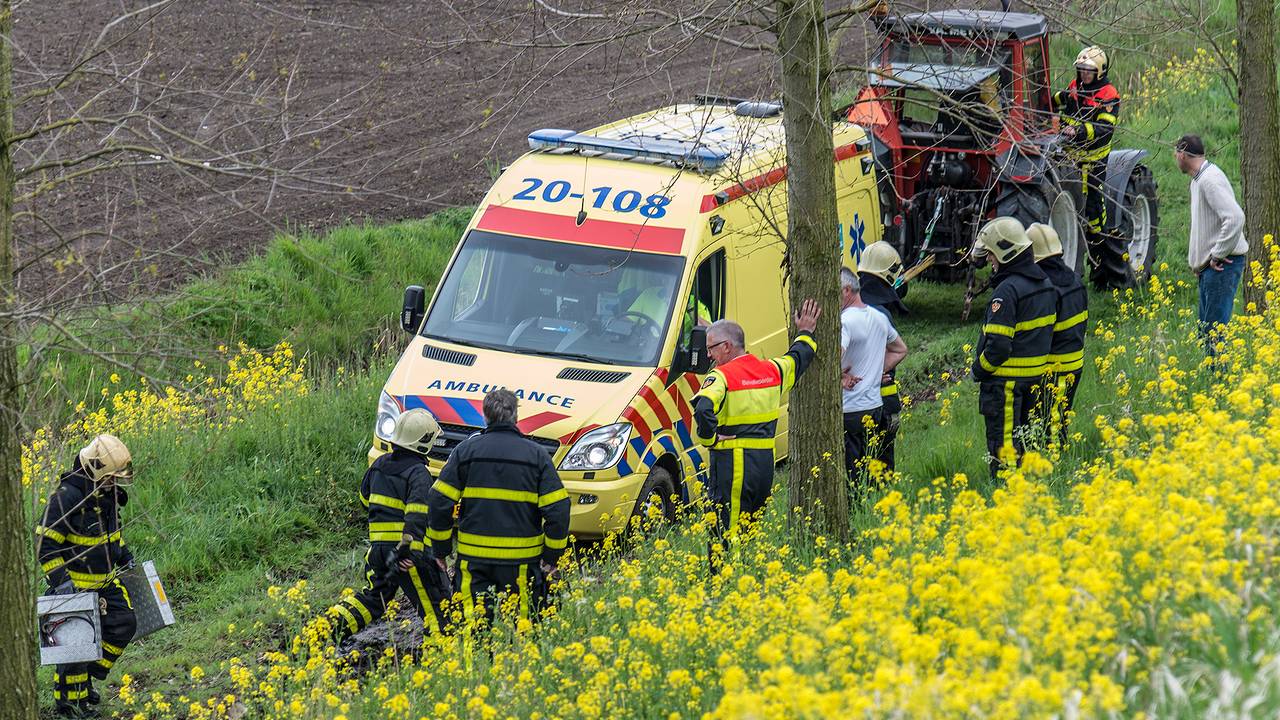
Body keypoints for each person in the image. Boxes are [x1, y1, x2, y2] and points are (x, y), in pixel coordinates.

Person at [427, 388, 571, 625]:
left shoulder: (466, 452)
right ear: (515, 416)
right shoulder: (536, 455)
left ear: (485, 416)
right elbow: (558, 509)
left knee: (473, 632)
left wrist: (441, 550)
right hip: (523, 563)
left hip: (474, 562)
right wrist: (551, 557)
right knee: (526, 631)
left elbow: (439, 501)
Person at [692, 301, 819, 547]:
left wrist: (710, 440)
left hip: (732, 463)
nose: (708, 355)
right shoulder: (772, 370)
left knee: (725, 530)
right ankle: (748, 572)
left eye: (711, 349)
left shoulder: (720, 376)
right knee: (751, 529)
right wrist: (806, 332)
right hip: (764, 464)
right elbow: (799, 356)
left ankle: (727, 580)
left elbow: (704, 407)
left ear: (727, 346)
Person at [326, 409, 451, 643]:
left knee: (374, 599)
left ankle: (323, 631)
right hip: (406, 551)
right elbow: (417, 515)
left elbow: (365, 500)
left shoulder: (379, 465)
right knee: (435, 604)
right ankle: (442, 655)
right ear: (423, 442)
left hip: (378, 551)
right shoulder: (419, 474)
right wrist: (408, 551)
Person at [36, 435, 138, 719]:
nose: (114, 483)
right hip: (75, 592)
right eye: (110, 478)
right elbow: (44, 543)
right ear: (95, 470)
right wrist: (61, 583)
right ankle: (70, 707)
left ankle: (88, 677)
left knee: (124, 622)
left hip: (105, 584)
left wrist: (124, 555)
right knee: (74, 652)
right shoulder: (67, 498)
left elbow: (109, 538)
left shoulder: (105, 496)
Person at [971, 217, 1057, 477]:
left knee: (1005, 451)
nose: (989, 261)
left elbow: (998, 347)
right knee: (1026, 447)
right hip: (1033, 381)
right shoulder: (1045, 285)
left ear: (1004, 253)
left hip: (1005, 386)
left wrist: (979, 370)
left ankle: (1005, 499)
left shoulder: (1006, 292)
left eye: (991, 255)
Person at [1174, 133, 1249, 356]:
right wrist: (1200, 264)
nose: (1175, 158)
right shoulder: (1199, 180)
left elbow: (1235, 217)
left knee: (1214, 333)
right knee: (1207, 332)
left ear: (1182, 155)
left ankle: (1220, 383)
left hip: (1222, 265)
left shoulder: (1209, 180)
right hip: (1211, 269)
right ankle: (1214, 382)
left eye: (1175, 153)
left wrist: (1217, 254)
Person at [1053, 45, 1120, 288]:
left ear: (1100, 71)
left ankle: (1101, 264)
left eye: (1088, 71)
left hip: (1093, 162)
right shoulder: (1075, 86)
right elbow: (1062, 99)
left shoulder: (1108, 95)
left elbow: (1105, 128)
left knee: (1093, 212)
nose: (1083, 75)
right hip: (1069, 157)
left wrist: (1078, 131)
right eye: (1081, 70)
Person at [839, 268, 908, 482]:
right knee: (872, 474)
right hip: (875, 408)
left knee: (852, 478)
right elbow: (900, 349)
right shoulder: (879, 317)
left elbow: (832, 358)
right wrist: (876, 371)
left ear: (846, 290)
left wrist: (840, 377)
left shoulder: (845, 322)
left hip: (849, 408)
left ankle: (855, 512)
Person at [1026, 223, 1088, 446]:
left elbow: (1041, 334)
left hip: (1052, 368)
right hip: (1075, 364)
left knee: (1046, 427)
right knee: (1058, 420)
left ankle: (1053, 468)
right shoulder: (1076, 280)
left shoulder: (1046, 288)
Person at [857, 241, 910, 472]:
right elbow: (898, 350)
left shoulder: (846, 309)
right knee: (882, 465)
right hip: (881, 401)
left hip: (852, 404)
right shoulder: (880, 315)